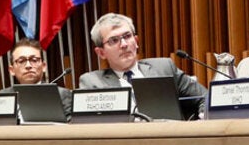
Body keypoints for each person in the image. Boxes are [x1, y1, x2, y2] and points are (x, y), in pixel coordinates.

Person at [78, 13, 206, 102]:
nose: (123, 44)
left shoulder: (164, 68)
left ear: (136, 40)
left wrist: (202, 117)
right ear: (101, 53)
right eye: (114, 40)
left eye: (127, 36)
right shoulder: (92, 83)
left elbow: (205, 98)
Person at [4, 38, 72, 116]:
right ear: (11, 70)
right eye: (21, 61)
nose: (28, 66)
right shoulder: (3, 97)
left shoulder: (61, 95)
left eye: (34, 60)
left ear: (43, 66)